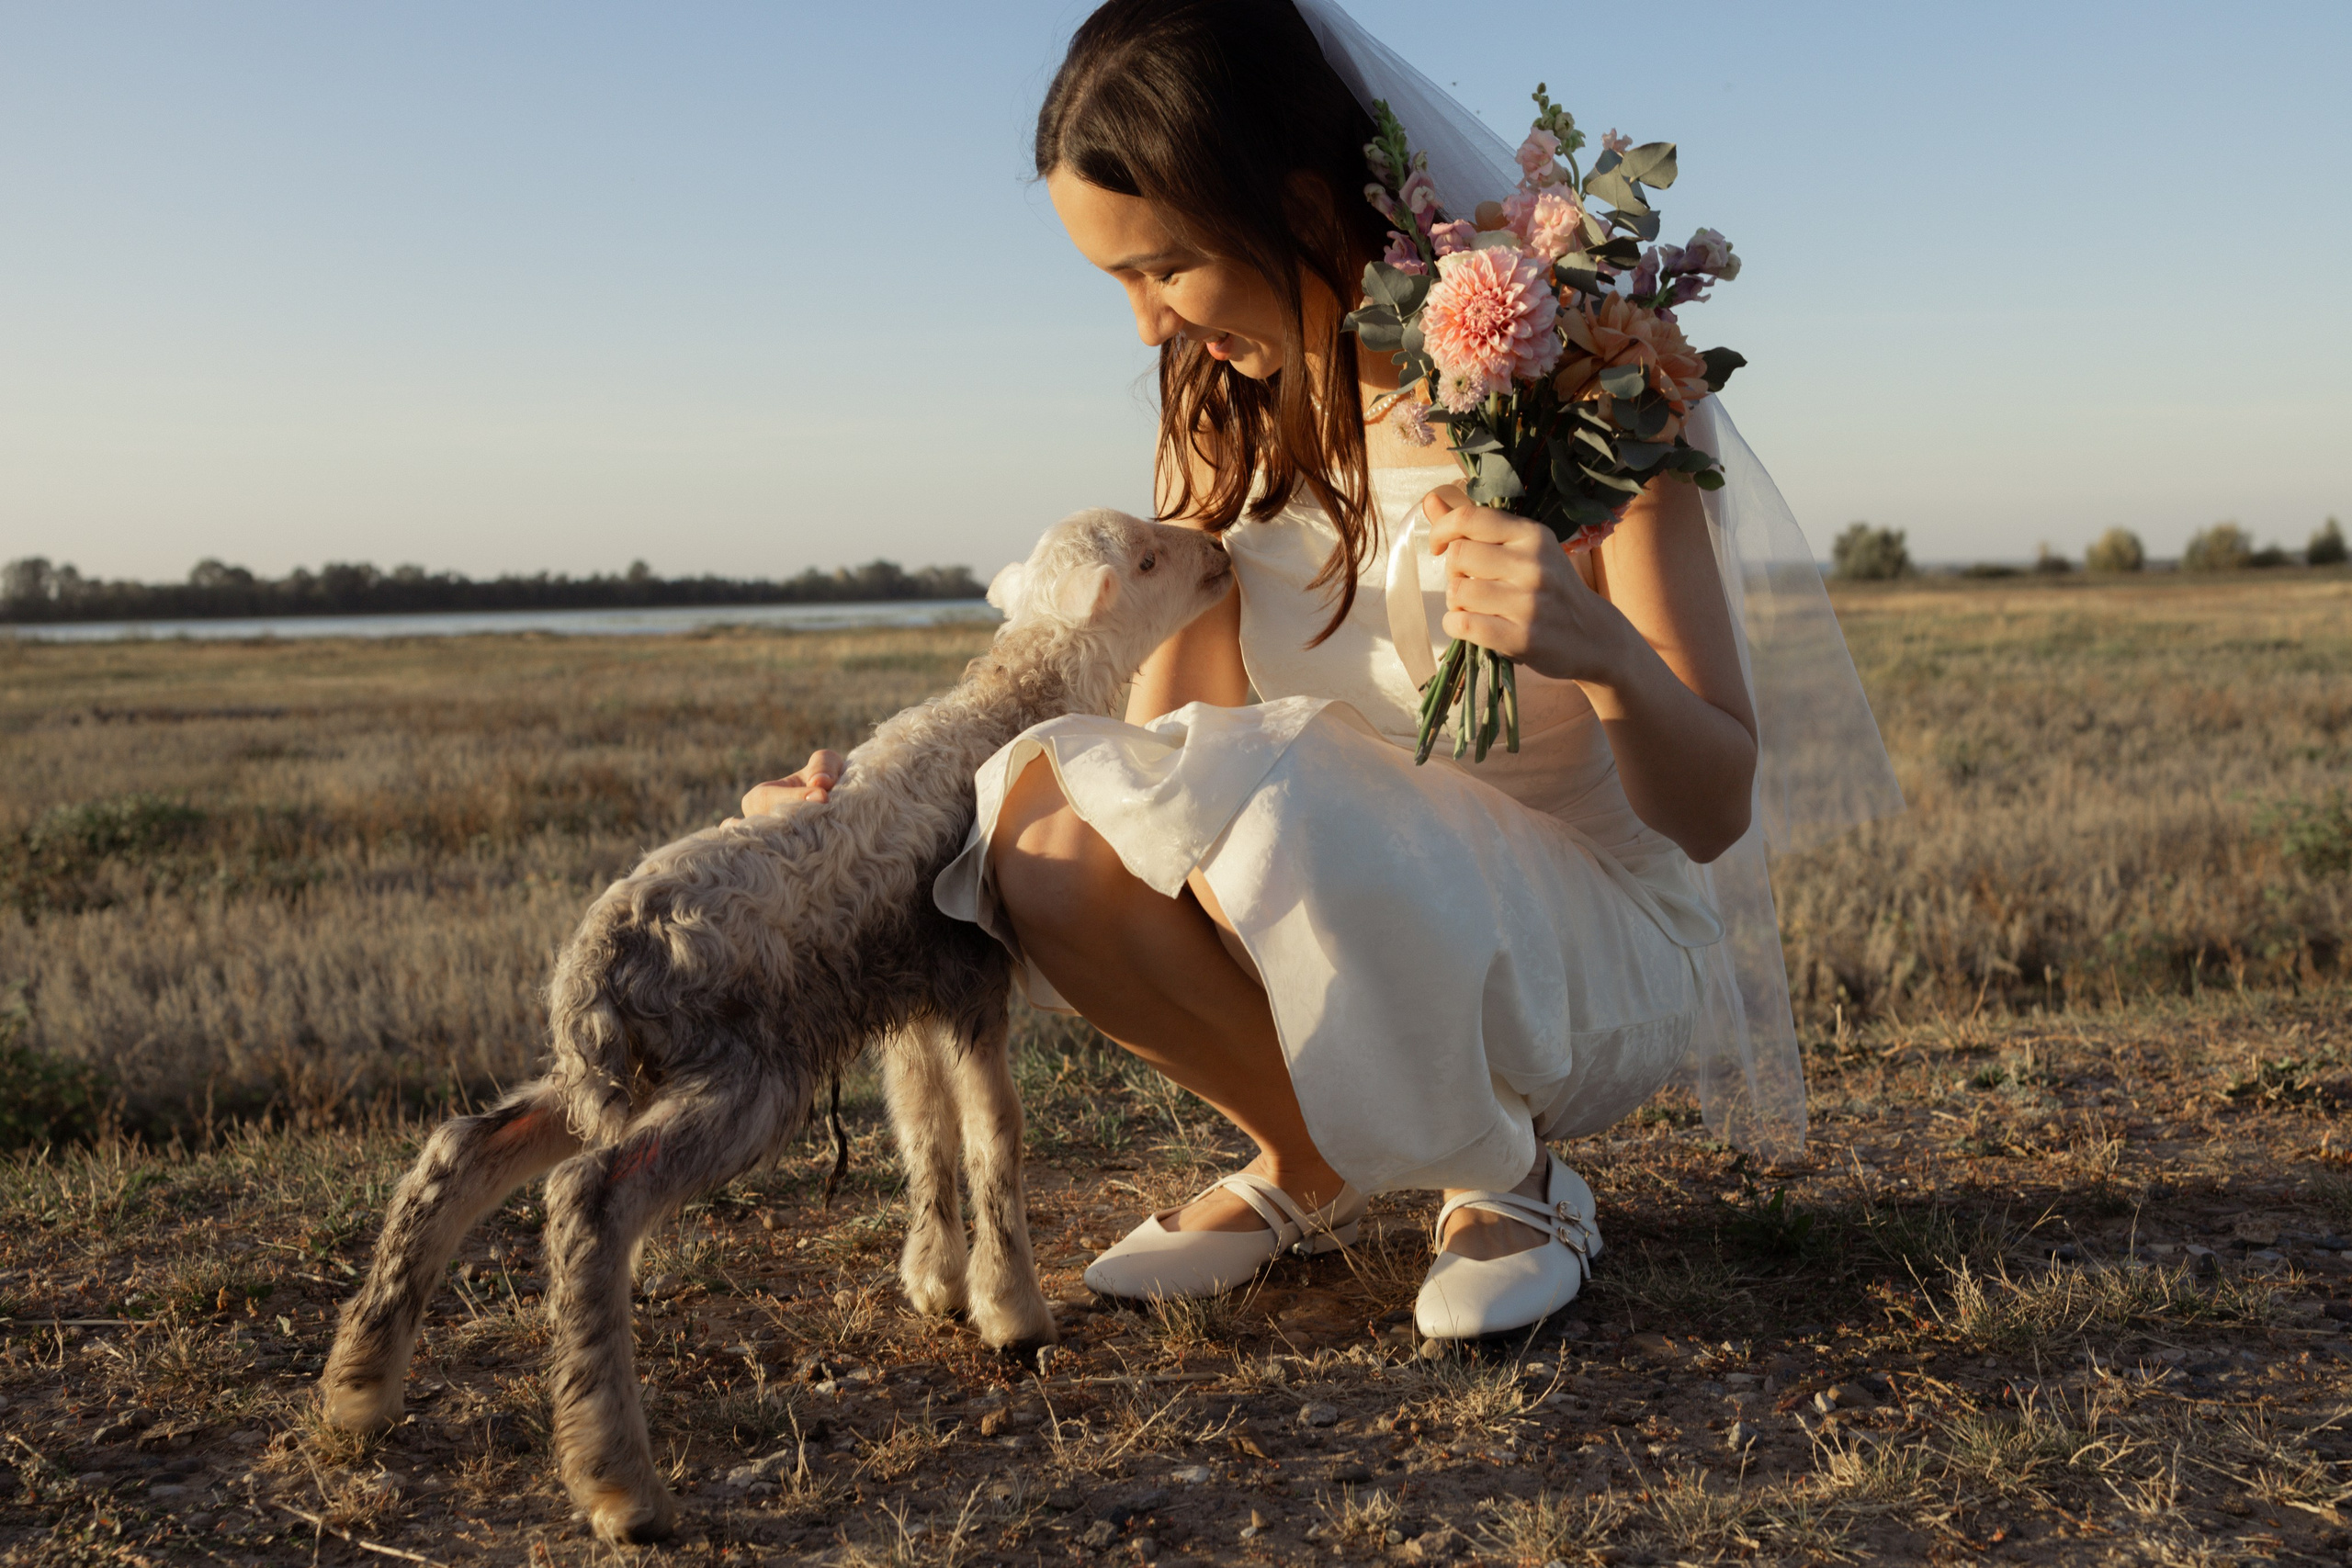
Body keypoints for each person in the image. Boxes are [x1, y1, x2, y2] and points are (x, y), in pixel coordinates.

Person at [743, 0, 1896, 1339]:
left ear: (1295, 204)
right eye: (1117, 282)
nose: (1144, 327)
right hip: (1333, 883)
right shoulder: (1223, 421)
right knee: (1045, 824)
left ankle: (1512, 1177)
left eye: (1163, 268)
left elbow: (1712, 811)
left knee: (1287, 783)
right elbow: (1153, 747)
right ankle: (1313, 1153)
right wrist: (855, 818)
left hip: (1580, 946)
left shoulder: (1585, 386)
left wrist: (1607, 658)